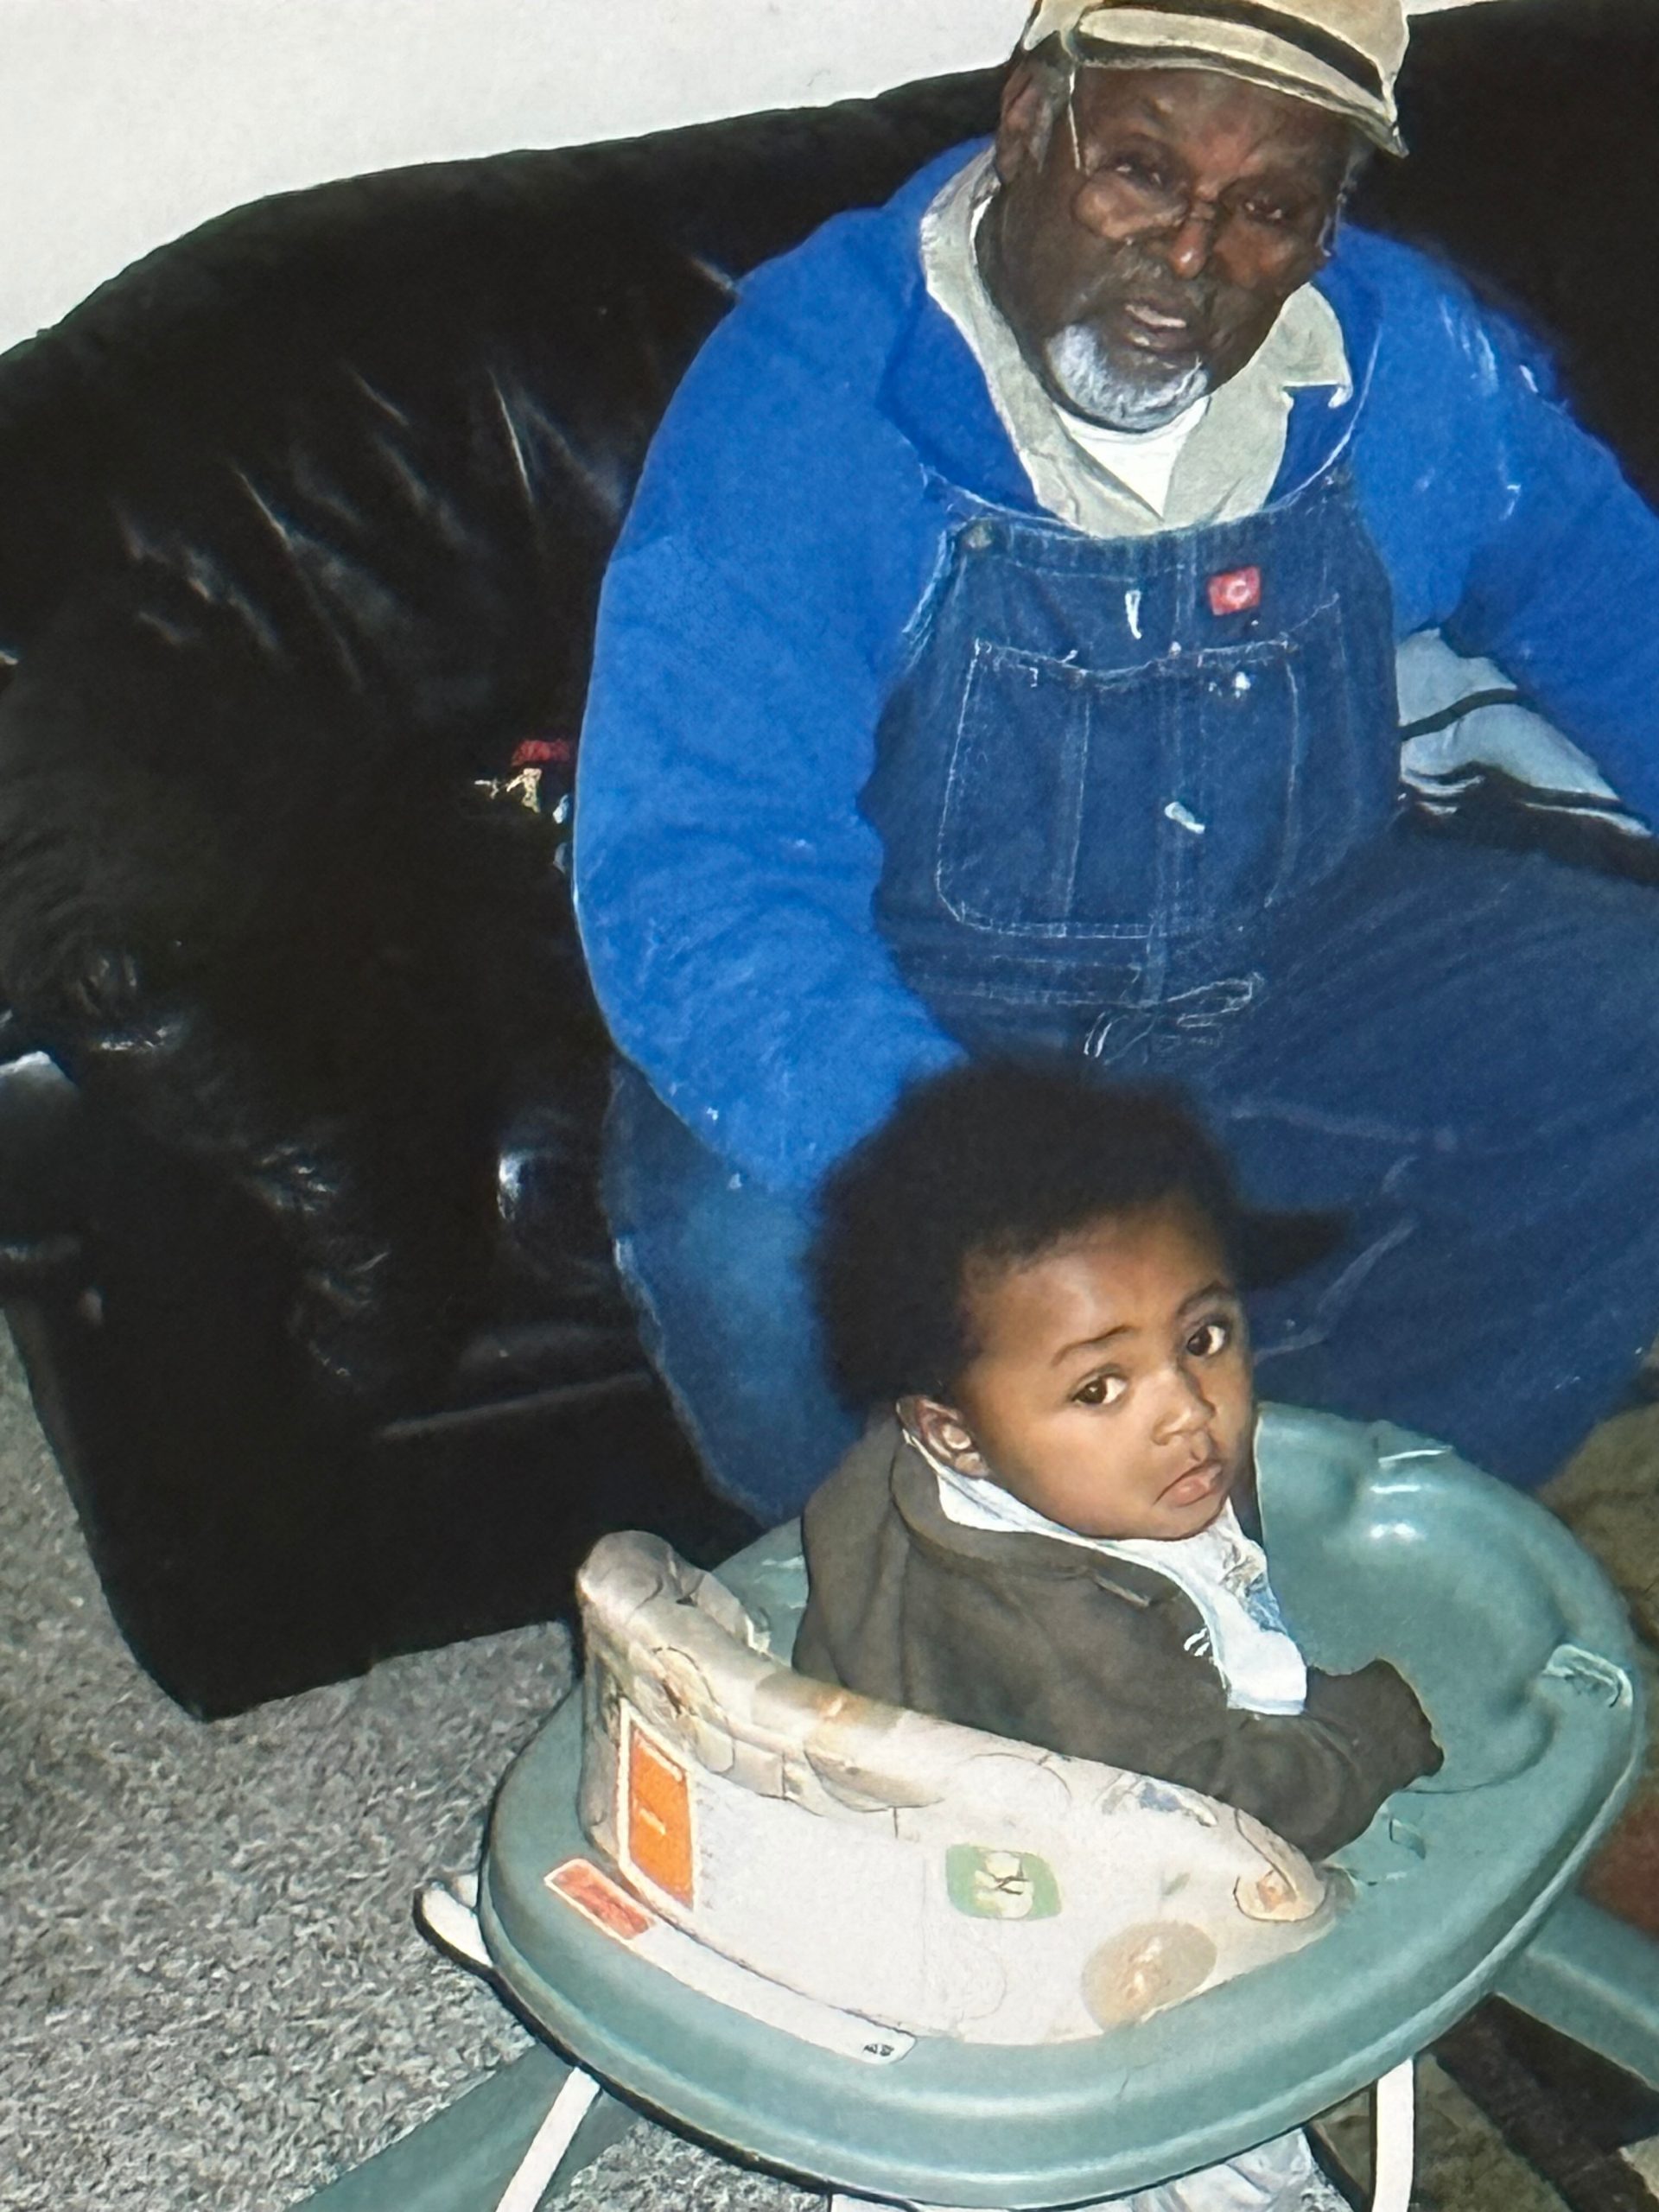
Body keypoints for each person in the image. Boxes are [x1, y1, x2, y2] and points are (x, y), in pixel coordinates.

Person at [575, 0, 1659, 1522]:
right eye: (1143, 173)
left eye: (1269, 208)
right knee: (755, 1267)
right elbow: (698, 870)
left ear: (1329, 224)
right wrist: (989, 1186)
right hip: (911, 1014)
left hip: (1286, 964)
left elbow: (1611, 607)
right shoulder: (814, 393)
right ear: (1033, 120)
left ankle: (1325, 1517)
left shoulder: (1405, 366)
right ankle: (947, 1620)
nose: (1193, 255)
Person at [793, 1058, 1440, 2212]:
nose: (1186, 1411)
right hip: (1039, 1975)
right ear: (954, 1433)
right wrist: (1370, 1731)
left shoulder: (961, 1457)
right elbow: (1226, 1816)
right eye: (1100, 1388)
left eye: (1206, 1336)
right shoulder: (1064, 1646)